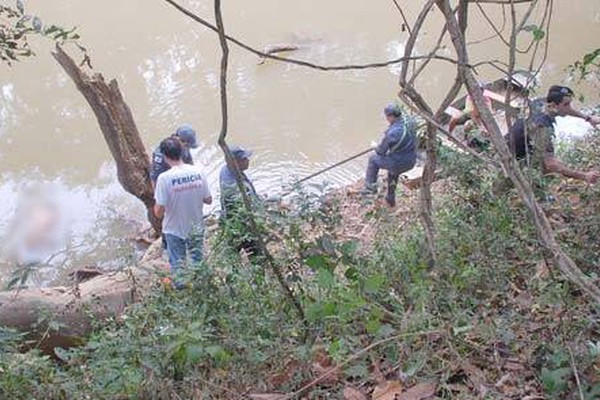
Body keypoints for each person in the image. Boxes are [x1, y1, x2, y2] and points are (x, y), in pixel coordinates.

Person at [505, 85, 600, 184]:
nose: (569, 108)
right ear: (553, 106)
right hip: (511, 158)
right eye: (566, 104)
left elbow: (566, 110)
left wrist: (588, 118)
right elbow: (551, 164)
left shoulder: (541, 102)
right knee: (544, 168)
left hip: (514, 142)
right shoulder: (542, 128)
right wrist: (584, 176)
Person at [154, 137, 212, 287]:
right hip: (195, 226)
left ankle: (182, 295)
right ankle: (202, 289)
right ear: (182, 152)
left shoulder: (164, 178)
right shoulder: (198, 171)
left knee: (178, 266)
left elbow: (158, 212)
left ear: (165, 156)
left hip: (174, 229)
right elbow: (208, 200)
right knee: (197, 260)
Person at [363, 103, 418, 207]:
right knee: (393, 172)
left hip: (398, 163)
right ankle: (390, 198)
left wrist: (374, 146)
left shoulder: (392, 133)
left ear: (391, 116)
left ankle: (369, 191)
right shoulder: (411, 122)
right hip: (411, 161)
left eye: (387, 117)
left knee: (373, 159)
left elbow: (381, 152)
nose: (387, 119)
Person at [219, 145, 263, 258]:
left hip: (231, 222)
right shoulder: (234, 186)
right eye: (244, 159)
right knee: (256, 256)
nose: (248, 161)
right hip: (242, 226)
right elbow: (250, 207)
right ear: (235, 162)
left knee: (233, 255)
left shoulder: (226, 169)